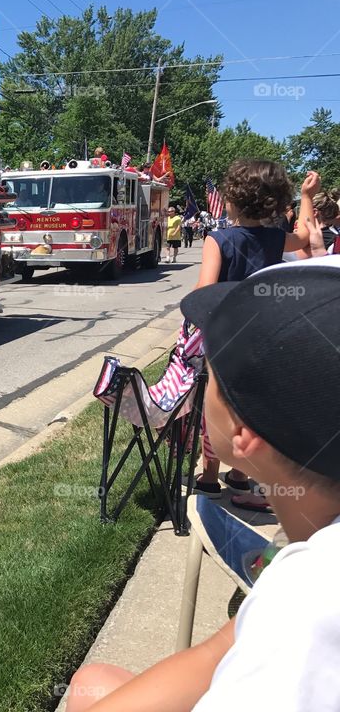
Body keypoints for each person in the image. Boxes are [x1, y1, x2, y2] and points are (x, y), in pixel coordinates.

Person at [66, 256, 340, 712]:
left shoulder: (309, 607)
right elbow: (218, 652)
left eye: (211, 376)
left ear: (242, 431)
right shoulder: (301, 578)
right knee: (93, 680)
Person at [190, 159, 309, 506]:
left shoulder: (218, 239)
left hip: (225, 338)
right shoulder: (274, 239)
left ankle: (210, 477)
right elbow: (303, 237)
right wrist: (305, 196)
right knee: (248, 409)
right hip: (264, 337)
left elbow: (202, 293)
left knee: (218, 408)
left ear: (231, 200)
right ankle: (240, 475)